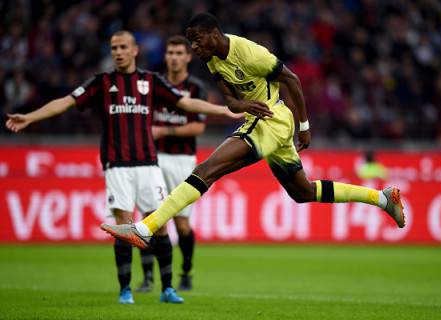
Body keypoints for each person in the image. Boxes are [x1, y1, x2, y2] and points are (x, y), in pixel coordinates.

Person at [100, 13, 405, 252]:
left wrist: (305, 127)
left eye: (195, 40)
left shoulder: (249, 53)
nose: (193, 47)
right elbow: (230, 99)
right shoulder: (211, 58)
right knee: (303, 192)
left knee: (207, 170)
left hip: (273, 119)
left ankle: (145, 229)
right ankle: (382, 198)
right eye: (190, 42)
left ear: (213, 34)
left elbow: (293, 81)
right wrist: (242, 102)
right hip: (262, 120)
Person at [5, 30, 240, 304]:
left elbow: (185, 102)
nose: (117, 52)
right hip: (117, 166)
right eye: (114, 47)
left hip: (149, 164)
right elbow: (66, 102)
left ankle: (167, 288)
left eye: (123, 47)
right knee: (125, 227)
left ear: (135, 50)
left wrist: (224, 110)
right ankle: (125, 289)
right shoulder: (102, 83)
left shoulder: (150, 81)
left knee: (159, 226)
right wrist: (30, 118)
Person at [137, 35, 206, 292]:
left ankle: (186, 272)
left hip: (182, 161)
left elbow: (198, 125)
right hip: (152, 159)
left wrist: (164, 131)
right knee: (149, 217)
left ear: (188, 57)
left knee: (182, 224)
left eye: (179, 53)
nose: (174, 57)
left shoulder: (196, 88)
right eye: (170, 52)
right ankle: (147, 278)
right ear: (165, 56)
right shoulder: (154, 85)